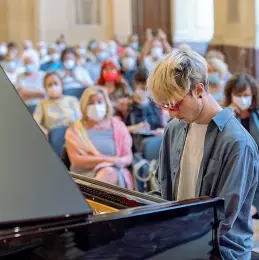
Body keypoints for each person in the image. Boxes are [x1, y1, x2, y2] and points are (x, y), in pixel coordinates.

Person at [147, 48, 259, 259]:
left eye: (175, 104)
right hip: (179, 241)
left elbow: (222, 220)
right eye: (165, 106)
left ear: (199, 90)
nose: (171, 113)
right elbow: (164, 194)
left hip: (220, 251)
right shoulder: (174, 128)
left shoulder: (237, 142)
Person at [65, 87, 133, 189]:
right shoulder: (75, 130)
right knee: (108, 172)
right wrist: (108, 160)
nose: (96, 106)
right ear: (84, 106)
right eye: (91, 103)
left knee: (109, 172)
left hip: (115, 172)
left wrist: (116, 162)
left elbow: (128, 157)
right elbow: (76, 160)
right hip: (84, 176)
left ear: (106, 103)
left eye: (99, 101)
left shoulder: (119, 126)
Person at [224, 73, 259, 219]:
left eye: (246, 94)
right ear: (230, 95)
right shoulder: (224, 117)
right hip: (233, 180)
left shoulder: (256, 117)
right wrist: (228, 117)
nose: (243, 98)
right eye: (238, 94)